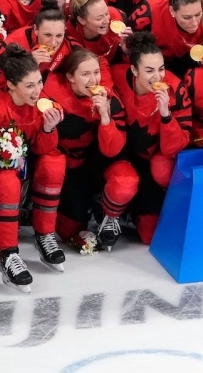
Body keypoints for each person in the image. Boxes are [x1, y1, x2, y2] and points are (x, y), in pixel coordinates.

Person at [0, 45, 67, 292]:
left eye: (39, 83)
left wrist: (48, 129)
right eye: (29, 86)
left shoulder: (43, 104)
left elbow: (43, 149)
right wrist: (3, 155)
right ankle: (9, 255)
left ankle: (44, 235)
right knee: (7, 181)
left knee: (55, 161)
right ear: (11, 85)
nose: (37, 91)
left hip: (23, 168)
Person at [42, 50, 134, 251]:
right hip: (66, 165)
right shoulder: (49, 95)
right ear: (70, 77)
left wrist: (105, 117)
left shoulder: (109, 99)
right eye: (85, 74)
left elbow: (112, 151)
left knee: (126, 180)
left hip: (96, 161)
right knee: (70, 229)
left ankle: (109, 215)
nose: (93, 80)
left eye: (96, 72)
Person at [109, 31, 191, 244]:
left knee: (149, 236)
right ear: (134, 70)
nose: (157, 77)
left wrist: (166, 114)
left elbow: (175, 147)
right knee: (122, 184)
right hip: (118, 154)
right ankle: (108, 213)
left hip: (149, 158)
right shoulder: (115, 75)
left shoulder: (176, 88)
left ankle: (137, 210)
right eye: (149, 70)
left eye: (161, 69)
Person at [65, 0, 127, 65]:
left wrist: (128, 52)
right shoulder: (70, 38)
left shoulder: (118, 17)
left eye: (106, 13)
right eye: (99, 18)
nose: (107, 20)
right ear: (82, 20)